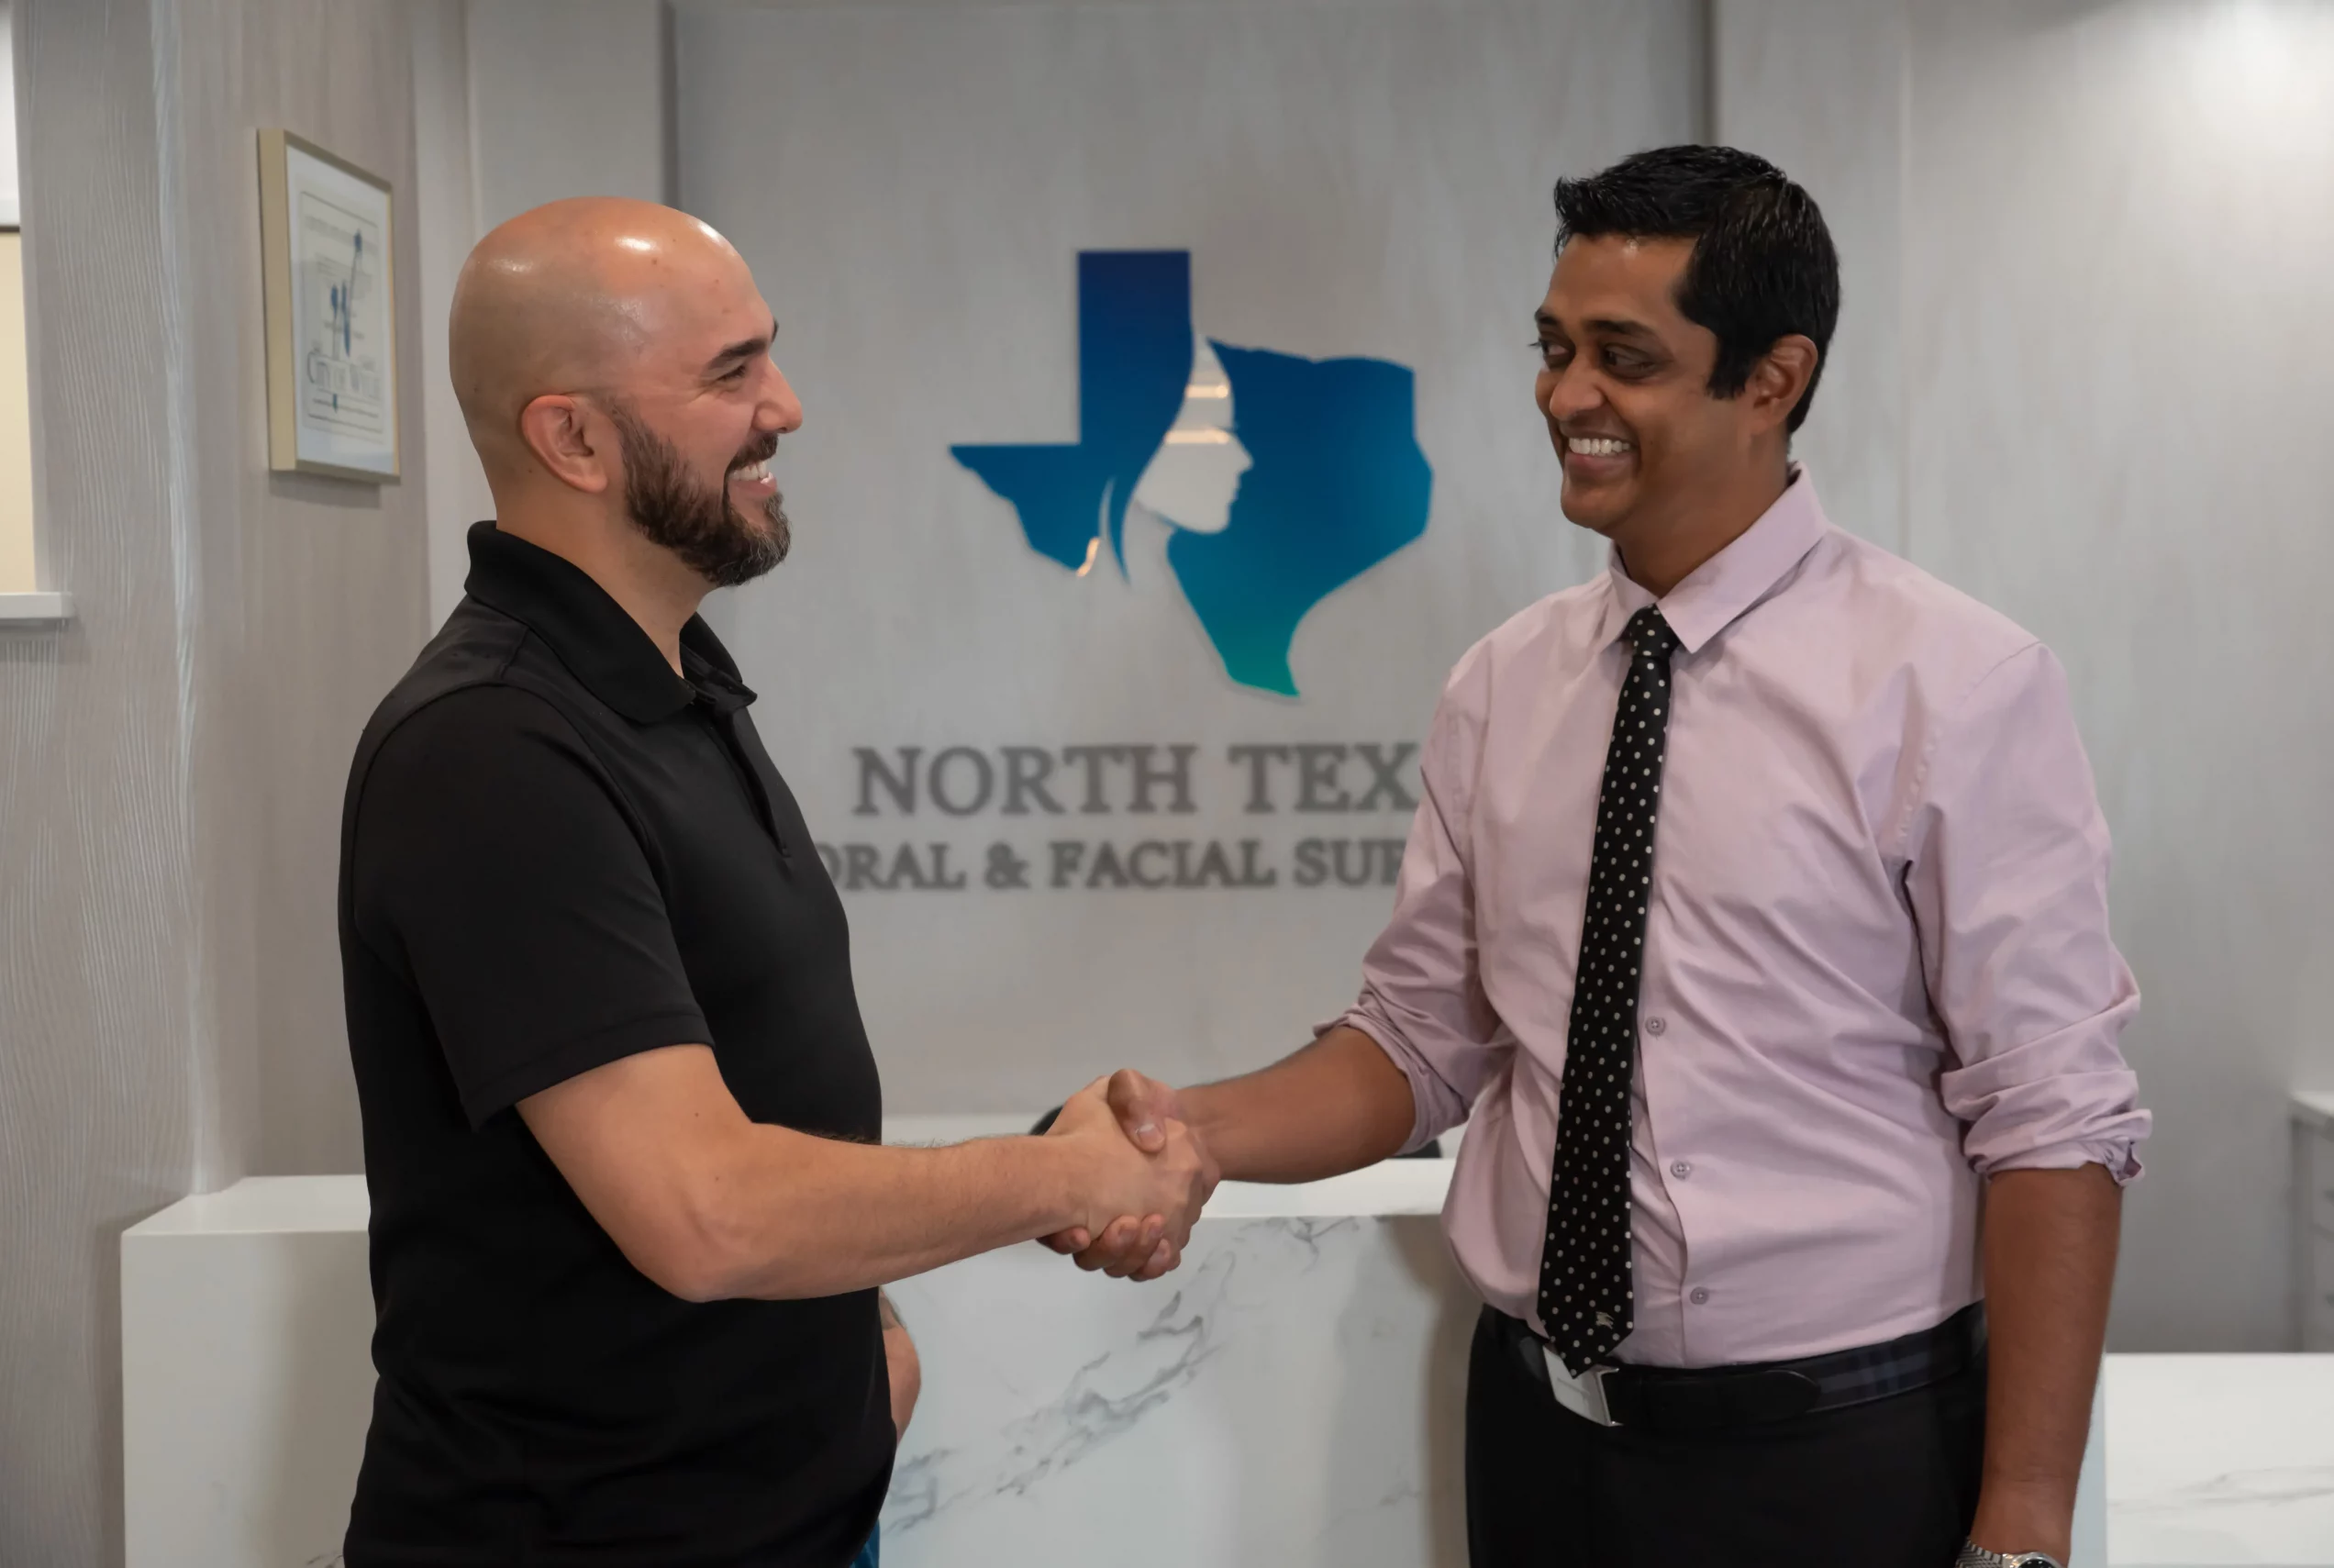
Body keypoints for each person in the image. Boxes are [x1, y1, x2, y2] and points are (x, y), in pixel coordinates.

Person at [1054, 145, 2149, 1568]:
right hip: (1538, 1444)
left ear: (1772, 378)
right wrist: (1180, 1129)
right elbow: (1415, 1046)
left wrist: (2023, 1530)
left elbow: (2054, 1120)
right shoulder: (1502, 685)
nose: (1567, 396)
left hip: (1843, 1463)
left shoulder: (1958, 686)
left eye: (1623, 356)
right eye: (1555, 347)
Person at [336, 196, 1211, 1568]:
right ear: (570, 437)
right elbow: (704, 1210)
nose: (786, 407)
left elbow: (749, 1081)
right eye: (731, 372)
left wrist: (855, 1323)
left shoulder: (669, 681)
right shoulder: (490, 750)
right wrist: (1055, 1177)